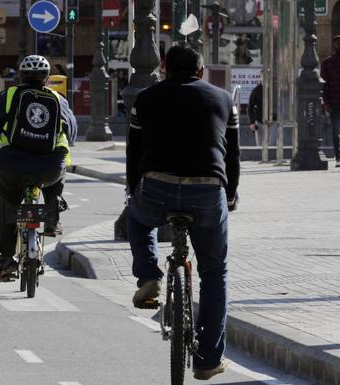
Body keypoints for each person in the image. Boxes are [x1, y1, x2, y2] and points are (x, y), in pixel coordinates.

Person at [126, 45, 240, 380]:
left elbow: (134, 154)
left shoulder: (146, 99)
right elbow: (232, 156)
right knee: (214, 273)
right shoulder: (223, 100)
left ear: (163, 68)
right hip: (208, 190)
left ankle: (148, 277)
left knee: (137, 217)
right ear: (201, 71)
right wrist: (229, 196)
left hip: (157, 186)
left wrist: (135, 192)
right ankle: (207, 360)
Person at [0, 55, 77, 282]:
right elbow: (71, 133)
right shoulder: (58, 98)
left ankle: (7, 260)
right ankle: (52, 216)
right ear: (47, 78)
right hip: (49, 169)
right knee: (60, 162)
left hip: (14, 166)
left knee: (5, 204)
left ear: (20, 76)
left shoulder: (8, 96)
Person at [321, 35, 340, 166]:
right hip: (334, 103)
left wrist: (326, 103)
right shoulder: (327, 63)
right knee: (336, 131)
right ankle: (338, 158)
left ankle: (339, 158)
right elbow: (324, 85)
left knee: (336, 132)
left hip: (333, 102)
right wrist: (326, 103)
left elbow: (324, 85)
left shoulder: (327, 63)